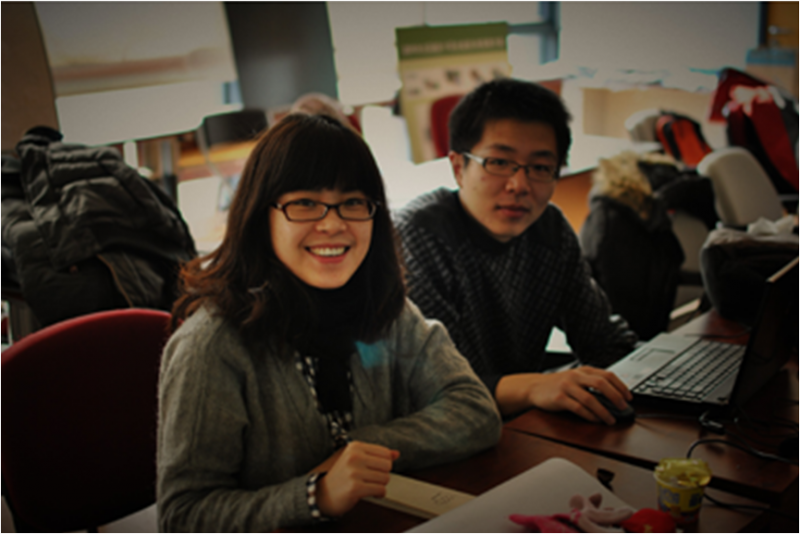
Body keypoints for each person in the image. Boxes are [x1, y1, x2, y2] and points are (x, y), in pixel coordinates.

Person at [157, 114, 501, 532]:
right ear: (260, 214)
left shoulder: (381, 308)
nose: (333, 224)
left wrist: (364, 449)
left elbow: (474, 410)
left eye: (354, 202)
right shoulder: (213, 344)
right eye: (304, 202)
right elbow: (183, 515)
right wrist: (315, 495)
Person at [394, 79, 638, 425]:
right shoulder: (417, 235)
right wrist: (534, 387)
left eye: (540, 168)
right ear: (458, 167)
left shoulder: (549, 228)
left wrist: (658, 371)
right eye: (498, 162)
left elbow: (602, 339)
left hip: (518, 427)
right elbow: (434, 386)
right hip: (444, 439)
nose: (519, 185)